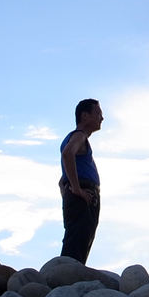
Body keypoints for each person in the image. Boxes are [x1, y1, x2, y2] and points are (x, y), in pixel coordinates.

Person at [59, 98, 103, 264]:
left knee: (79, 238)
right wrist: (76, 190)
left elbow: (61, 180)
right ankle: (66, 278)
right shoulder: (79, 135)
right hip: (83, 193)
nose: (102, 118)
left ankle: (68, 274)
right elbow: (67, 154)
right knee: (78, 239)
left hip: (80, 194)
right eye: (98, 113)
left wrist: (68, 194)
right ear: (85, 116)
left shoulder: (76, 138)